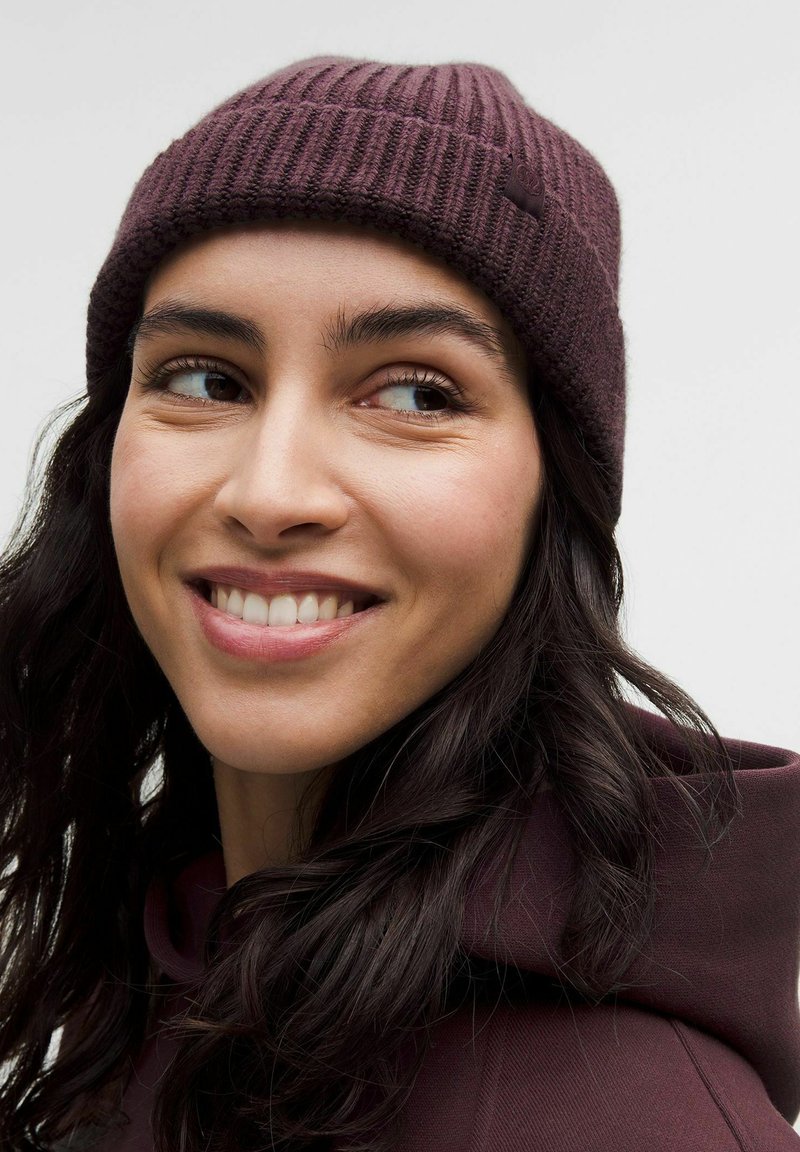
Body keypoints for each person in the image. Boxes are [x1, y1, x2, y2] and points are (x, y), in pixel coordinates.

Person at [0, 54, 797, 1152]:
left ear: (549, 491)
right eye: (202, 379)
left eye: (416, 394)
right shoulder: (153, 987)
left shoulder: (634, 1121)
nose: (270, 492)